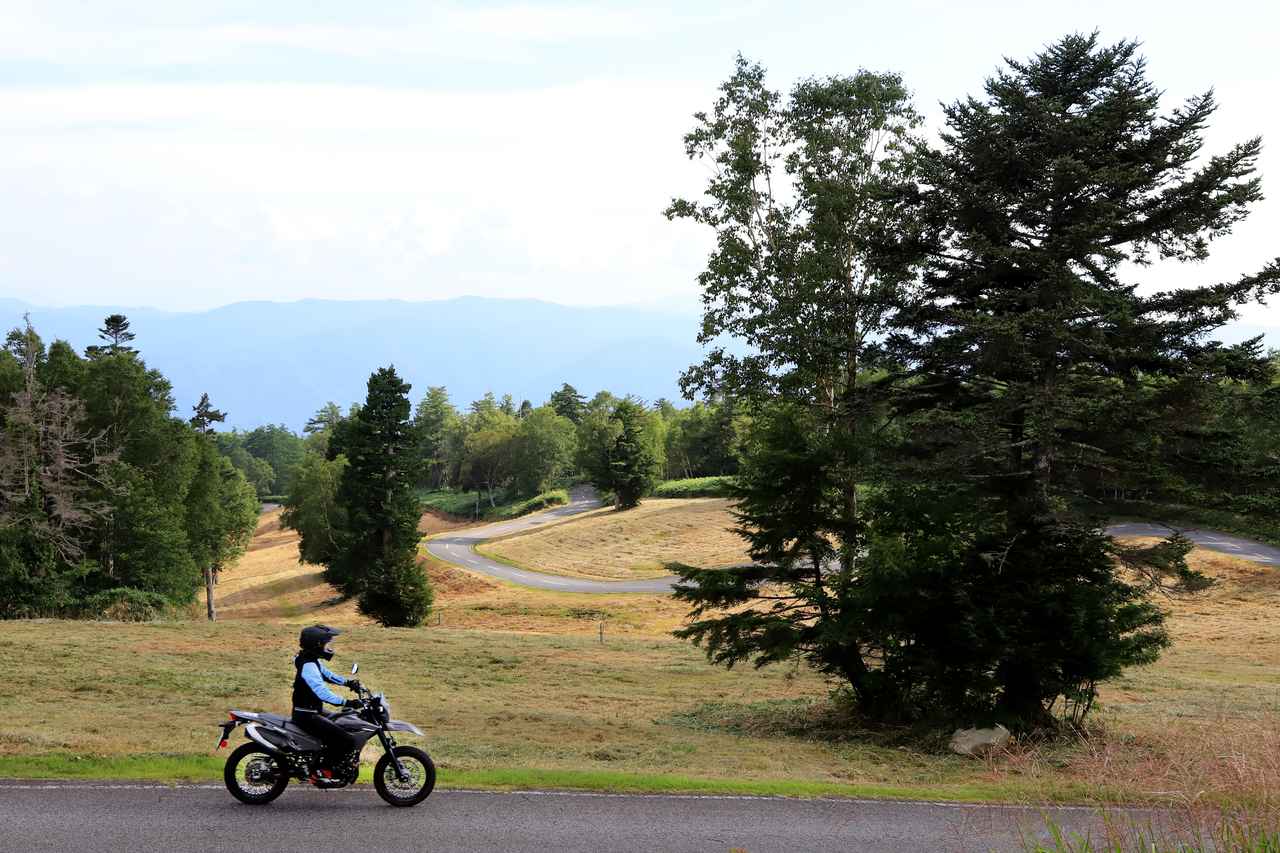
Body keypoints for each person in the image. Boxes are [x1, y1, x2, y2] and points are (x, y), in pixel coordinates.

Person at [291, 624, 362, 778]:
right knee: (346, 740)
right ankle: (323, 771)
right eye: (326, 643)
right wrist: (347, 702)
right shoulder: (308, 665)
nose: (329, 647)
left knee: (340, 722)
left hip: (311, 710)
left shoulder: (309, 659)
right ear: (316, 644)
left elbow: (327, 674)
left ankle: (324, 761)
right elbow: (323, 693)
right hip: (307, 715)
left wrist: (348, 683)